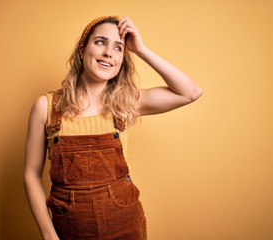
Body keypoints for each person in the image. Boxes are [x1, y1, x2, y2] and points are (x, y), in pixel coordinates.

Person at [24, 15, 202, 240]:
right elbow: (31, 174)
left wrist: (141, 50)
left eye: (118, 48)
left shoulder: (126, 103)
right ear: (82, 49)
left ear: (121, 61)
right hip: (68, 230)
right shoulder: (46, 107)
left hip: (126, 226)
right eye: (100, 42)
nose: (109, 52)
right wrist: (49, 236)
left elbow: (190, 92)